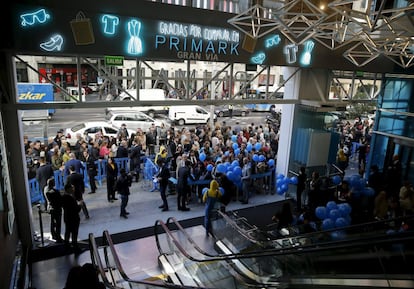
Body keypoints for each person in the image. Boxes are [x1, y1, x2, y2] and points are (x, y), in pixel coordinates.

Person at [61, 183, 81, 251]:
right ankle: (75, 246)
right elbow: (75, 209)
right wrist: (80, 205)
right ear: (68, 189)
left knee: (68, 232)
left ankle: (67, 246)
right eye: (72, 188)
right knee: (74, 233)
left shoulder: (63, 196)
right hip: (73, 218)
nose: (73, 189)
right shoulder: (70, 197)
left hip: (67, 217)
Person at [44, 178, 63, 243]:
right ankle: (58, 237)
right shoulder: (55, 192)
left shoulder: (45, 189)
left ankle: (53, 235)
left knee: (53, 223)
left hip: (50, 208)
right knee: (57, 224)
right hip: (56, 208)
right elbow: (60, 199)